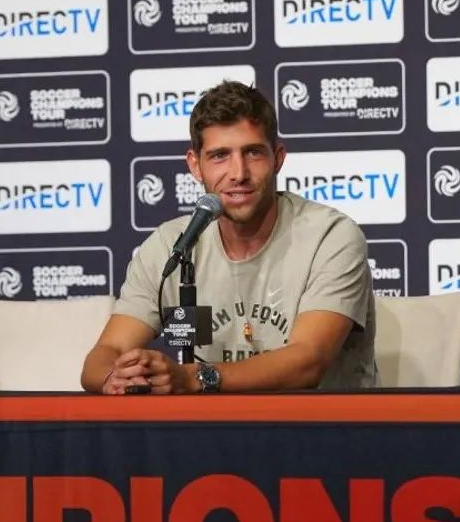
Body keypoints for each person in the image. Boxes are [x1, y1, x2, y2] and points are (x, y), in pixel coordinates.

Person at [80, 81, 377, 394]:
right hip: (213, 437)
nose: (238, 173)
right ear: (195, 165)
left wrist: (193, 377)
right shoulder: (171, 246)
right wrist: (117, 378)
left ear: (278, 158)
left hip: (322, 432)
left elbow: (308, 362)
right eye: (220, 155)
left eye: (253, 153)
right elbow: (102, 357)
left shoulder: (330, 236)